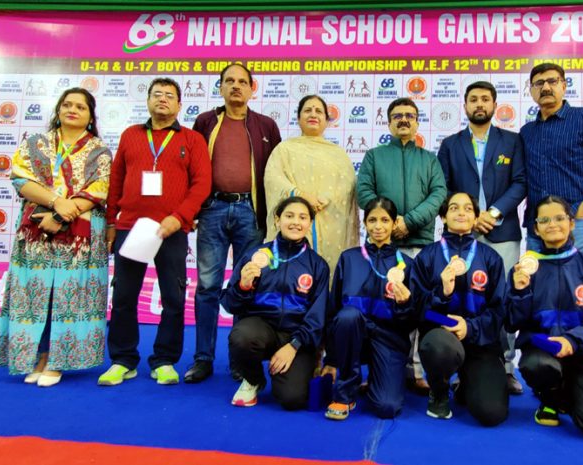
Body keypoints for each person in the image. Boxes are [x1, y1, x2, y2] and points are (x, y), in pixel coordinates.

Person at [0, 88, 112, 387]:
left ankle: (59, 360)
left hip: (80, 237)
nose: (72, 110)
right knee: (38, 295)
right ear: (58, 110)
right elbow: (20, 178)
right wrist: (57, 204)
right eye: (67, 105)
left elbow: (99, 189)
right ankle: (39, 356)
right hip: (36, 231)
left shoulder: (100, 150)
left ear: (90, 116)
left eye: (80, 107)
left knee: (67, 296)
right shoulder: (35, 144)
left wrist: (61, 216)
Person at [98, 77, 211, 386]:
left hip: (171, 229)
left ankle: (164, 360)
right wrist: (110, 222)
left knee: (173, 298)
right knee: (123, 296)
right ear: (147, 101)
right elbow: (116, 181)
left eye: (169, 96)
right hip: (130, 227)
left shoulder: (192, 140)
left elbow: (202, 184)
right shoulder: (131, 135)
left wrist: (180, 217)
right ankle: (123, 359)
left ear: (179, 105)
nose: (163, 99)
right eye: (157, 94)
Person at [188, 63, 282, 383]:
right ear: (221, 87)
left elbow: (275, 175)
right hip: (213, 208)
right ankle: (203, 358)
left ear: (253, 88)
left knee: (248, 285)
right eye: (229, 81)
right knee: (208, 287)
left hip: (250, 212)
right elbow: (192, 168)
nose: (236, 86)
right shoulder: (205, 122)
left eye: (243, 82)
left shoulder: (266, 125)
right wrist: (191, 209)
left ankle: (240, 360)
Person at [506, 195, 583, 440]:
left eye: (559, 218)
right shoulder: (524, 269)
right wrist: (519, 292)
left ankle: (572, 390)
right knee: (537, 365)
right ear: (536, 228)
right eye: (544, 220)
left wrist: (571, 341)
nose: (552, 224)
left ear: (571, 223)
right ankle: (550, 396)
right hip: (545, 353)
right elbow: (513, 323)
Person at [437, 81, 526, 395]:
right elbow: (442, 188)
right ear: (464, 105)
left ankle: (506, 369)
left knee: (502, 299)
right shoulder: (450, 144)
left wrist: (495, 212)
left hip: (503, 233)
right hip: (463, 235)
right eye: (473, 99)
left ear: (494, 105)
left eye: (485, 99)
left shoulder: (512, 142)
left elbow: (520, 183)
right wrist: (469, 217)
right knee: (464, 298)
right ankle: (464, 368)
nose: (479, 104)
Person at [357, 97, 447, 394]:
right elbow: (364, 192)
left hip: (420, 245)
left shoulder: (429, 158)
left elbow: (438, 195)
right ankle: (382, 368)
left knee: (421, 308)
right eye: (398, 116)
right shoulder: (374, 156)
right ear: (389, 122)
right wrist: (389, 221)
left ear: (418, 121)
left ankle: (418, 370)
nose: (404, 120)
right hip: (384, 248)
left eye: (410, 115)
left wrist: (408, 221)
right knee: (384, 308)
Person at [221, 196, 329, 410]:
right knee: (242, 337)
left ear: (310, 224)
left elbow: (318, 317)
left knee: (292, 399)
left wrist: (294, 345)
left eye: (302, 217)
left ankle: (285, 370)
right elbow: (230, 305)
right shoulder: (255, 256)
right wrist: (242, 286)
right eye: (289, 216)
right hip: (261, 329)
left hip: (297, 338)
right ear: (277, 220)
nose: (295, 222)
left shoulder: (318, 265)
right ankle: (253, 379)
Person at [411, 192, 508, 426]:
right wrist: (441, 294)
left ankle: (467, 383)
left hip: (480, 341)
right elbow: (416, 310)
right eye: (454, 208)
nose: (461, 212)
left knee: (491, 413)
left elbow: (498, 310)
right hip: (442, 339)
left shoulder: (491, 258)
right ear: (443, 217)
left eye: (467, 208)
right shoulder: (427, 256)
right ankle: (439, 389)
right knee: (438, 346)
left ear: (476, 218)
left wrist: (470, 327)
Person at [323, 197, 416, 420]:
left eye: (385, 220)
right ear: (365, 223)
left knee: (387, 407)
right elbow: (333, 310)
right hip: (353, 337)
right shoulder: (349, 258)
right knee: (348, 316)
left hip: (389, 340)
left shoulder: (407, 264)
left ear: (395, 224)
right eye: (372, 220)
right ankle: (345, 394)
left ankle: (379, 376)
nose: (378, 226)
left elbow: (411, 322)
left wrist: (404, 304)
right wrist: (331, 360)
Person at [520, 63, 583, 256]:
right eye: (539, 83)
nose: (546, 88)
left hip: (576, 221)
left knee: (578, 283)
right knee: (539, 283)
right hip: (538, 226)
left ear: (564, 85)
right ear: (531, 90)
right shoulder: (526, 132)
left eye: (552, 81)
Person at [264, 94, 358, 276]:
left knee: (328, 274)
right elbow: (273, 178)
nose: (313, 114)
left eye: (318, 111)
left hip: (330, 224)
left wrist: (325, 200)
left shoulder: (339, 154)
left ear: (326, 120)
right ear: (298, 119)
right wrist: (299, 194)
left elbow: (347, 185)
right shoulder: (284, 149)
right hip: (296, 221)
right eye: (307, 110)